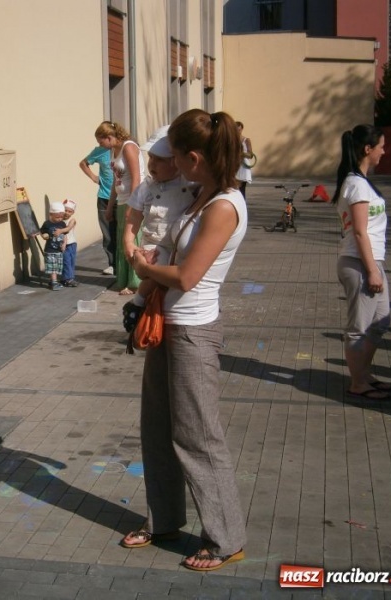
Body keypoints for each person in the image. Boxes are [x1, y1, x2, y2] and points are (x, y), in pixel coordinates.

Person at [122, 109, 248, 572]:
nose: (170, 165)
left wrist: (143, 268)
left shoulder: (223, 206)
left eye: (175, 156)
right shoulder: (199, 195)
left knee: (198, 437)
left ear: (194, 157)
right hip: (168, 325)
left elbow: (187, 276)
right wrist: (140, 299)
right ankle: (165, 520)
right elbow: (172, 252)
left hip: (194, 331)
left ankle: (225, 536)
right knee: (157, 429)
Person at [331, 125, 391, 400]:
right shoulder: (355, 184)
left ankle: (363, 374)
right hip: (359, 263)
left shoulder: (361, 182)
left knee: (380, 321)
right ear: (368, 149)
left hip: (370, 261)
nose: (383, 151)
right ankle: (358, 383)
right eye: (381, 146)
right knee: (359, 328)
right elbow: (359, 231)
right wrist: (371, 271)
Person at [120, 125, 195, 332]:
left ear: (178, 161)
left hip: (179, 249)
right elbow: (133, 217)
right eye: (151, 158)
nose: (152, 164)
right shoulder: (146, 187)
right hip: (153, 244)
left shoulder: (191, 186)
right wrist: (128, 243)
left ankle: (141, 304)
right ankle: (139, 304)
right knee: (155, 270)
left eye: (160, 160)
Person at [95, 121, 146, 295]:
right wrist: (110, 206)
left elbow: (136, 178)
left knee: (132, 240)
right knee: (121, 241)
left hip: (134, 200)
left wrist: (134, 204)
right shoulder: (113, 151)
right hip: (121, 201)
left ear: (109, 137)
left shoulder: (129, 147)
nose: (99, 145)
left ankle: (135, 282)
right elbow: (115, 182)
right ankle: (123, 278)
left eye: (101, 141)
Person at [79, 144, 116, 275]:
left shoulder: (123, 149)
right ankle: (112, 264)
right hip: (104, 197)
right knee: (108, 233)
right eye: (99, 141)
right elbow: (83, 163)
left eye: (103, 140)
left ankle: (125, 265)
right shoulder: (99, 151)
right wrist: (94, 178)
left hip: (121, 198)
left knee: (121, 232)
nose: (101, 144)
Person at [40, 202, 67, 290]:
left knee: (57, 267)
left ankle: (52, 282)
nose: (59, 219)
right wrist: (44, 235)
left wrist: (64, 244)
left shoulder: (62, 224)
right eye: (57, 217)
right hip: (50, 250)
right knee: (52, 267)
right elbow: (42, 232)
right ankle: (54, 283)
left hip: (59, 250)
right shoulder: (47, 224)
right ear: (51, 214)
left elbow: (65, 234)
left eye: (61, 217)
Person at [60, 199, 79, 287]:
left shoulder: (72, 220)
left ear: (73, 212)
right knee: (66, 261)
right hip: (64, 245)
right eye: (65, 210)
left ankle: (69, 278)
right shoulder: (59, 220)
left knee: (71, 261)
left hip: (71, 244)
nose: (67, 213)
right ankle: (67, 279)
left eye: (69, 211)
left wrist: (59, 230)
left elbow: (68, 228)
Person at [234, 121, 254, 198]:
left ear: (242, 129)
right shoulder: (232, 140)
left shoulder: (246, 140)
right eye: (236, 130)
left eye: (239, 130)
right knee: (234, 188)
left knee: (241, 188)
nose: (238, 132)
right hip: (234, 165)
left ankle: (242, 204)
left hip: (243, 166)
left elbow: (250, 155)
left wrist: (241, 154)